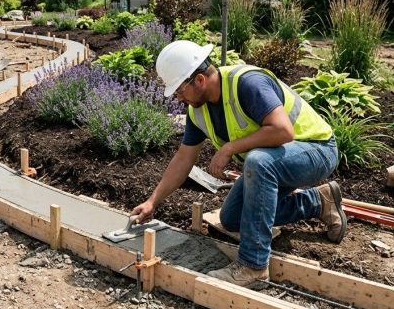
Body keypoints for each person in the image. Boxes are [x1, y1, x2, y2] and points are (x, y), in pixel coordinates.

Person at [131, 40, 347, 289]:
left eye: (179, 91)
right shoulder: (198, 111)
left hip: (317, 150)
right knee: (232, 218)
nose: (179, 99)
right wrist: (152, 202)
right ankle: (318, 202)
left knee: (258, 161)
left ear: (199, 80)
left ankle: (253, 266)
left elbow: (283, 130)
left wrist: (230, 148)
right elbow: (183, 159)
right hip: (276, 162)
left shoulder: (247, 83)